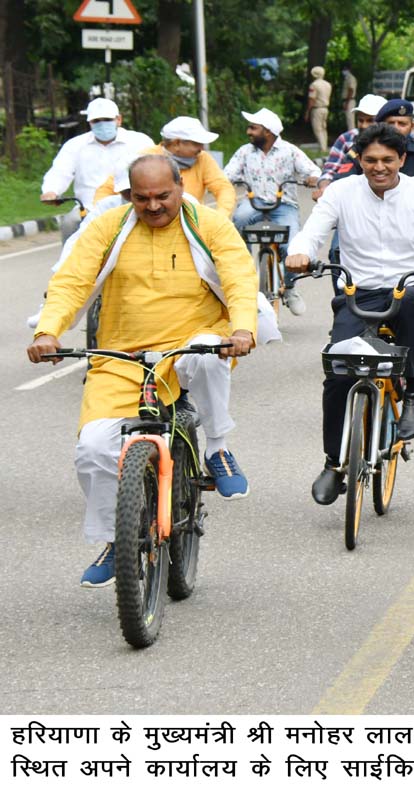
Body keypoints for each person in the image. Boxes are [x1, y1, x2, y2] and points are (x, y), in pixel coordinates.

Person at [27, 155, 258, 587]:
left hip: (191, 343)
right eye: (142, 198)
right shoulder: (108, 226)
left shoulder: (209, 224)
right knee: (94, 449)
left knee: (211, 352)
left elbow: (239, 276)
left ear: (181, 188)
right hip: (122, 357)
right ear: (129, 195)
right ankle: (119, 541)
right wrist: (48, 331)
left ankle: (218, 448)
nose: (153, 206)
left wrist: (243, 327)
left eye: (162, 196)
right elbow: (72, 281)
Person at [285, 125, 414, 503]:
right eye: (370, 160)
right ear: (359, 160)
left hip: (413, 285)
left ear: (402, 160)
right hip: (360, 292)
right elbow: (311, 233)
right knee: (339, 371)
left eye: (388, 160)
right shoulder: (341, 192)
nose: (379, 167)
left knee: (408, 305)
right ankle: (333, 463)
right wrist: (300, 253)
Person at [224, 107, 321, 316]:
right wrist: (224, 181)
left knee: (293, 246)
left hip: (284, 204)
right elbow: (227, 175)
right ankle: (245, 271)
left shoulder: (290, 151)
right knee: (238, 221)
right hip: (254, 201)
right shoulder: (244, 152)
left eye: (253, 128)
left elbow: (314, 171)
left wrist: (313, 179)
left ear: (267, 131)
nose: (249, 132)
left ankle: (290, 287)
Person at [40, 98, 155, 238]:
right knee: (69, 223)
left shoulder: (139, 142)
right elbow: (60, 171)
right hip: (88, 208)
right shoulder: (75, 145)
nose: (102, 124)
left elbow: (155, 169)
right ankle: (69, 259)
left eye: (107, 119)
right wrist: (51, 191)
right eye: (96, 121)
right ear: (90, 123)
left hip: (130, 205)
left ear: (118, 120)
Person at [92, 116, 235, 217]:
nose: (201, 148)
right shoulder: (145, 158)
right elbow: (109, 187)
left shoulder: (203, 159)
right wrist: (101, 214)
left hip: (191, 219)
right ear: (177, 143)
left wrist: (221, 215)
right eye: (196, 143)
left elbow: (223, 187)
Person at [314, 93, 389, 198]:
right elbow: (330, 170)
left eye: (370, 120)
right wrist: (325, 188)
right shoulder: (347, 139)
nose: (364, 125)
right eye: (360, 120)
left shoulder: (395, 142)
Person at [306, 66, 333, 153]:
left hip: (317, 109)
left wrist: (307, 111)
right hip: (325, 108)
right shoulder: (328, 84)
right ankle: (324, 146)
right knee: (323, 128)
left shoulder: (314, 85)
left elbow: (312, 99)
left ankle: (322, 148)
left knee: (317, 129)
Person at [341, 67, 359, 133]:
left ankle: (352, 137)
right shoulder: (346, 78)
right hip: (347, 101)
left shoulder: (351, 78)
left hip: (349, 101)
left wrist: (347, 103)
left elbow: (351, 90)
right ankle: (351, 135)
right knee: (348, 120)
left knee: (350, 120)